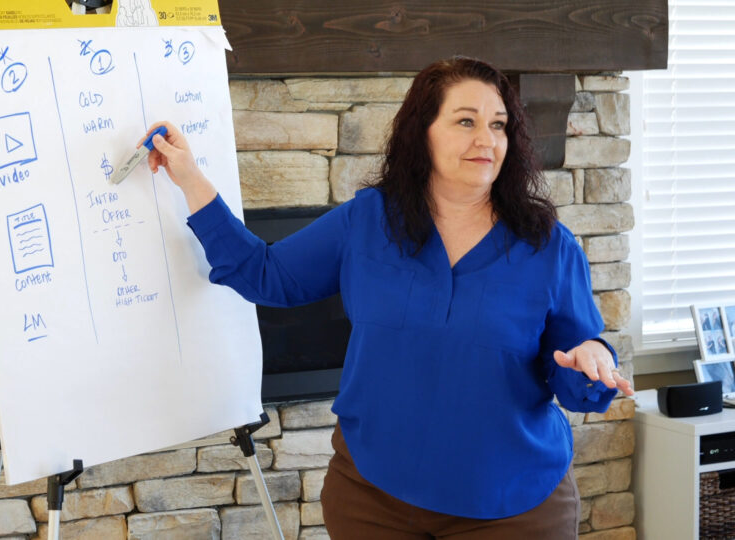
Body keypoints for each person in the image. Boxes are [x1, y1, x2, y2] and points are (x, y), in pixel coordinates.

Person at [140, 56, 634, 539]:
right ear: (423, 131)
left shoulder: (549, 247)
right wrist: (190, 177)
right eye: (466, 121)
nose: (486, 139)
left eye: (499, 125)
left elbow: (576, 372)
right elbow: (266, 275)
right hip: (373, 500)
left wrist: (592, 359)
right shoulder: (368, 221)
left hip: (514, 508)